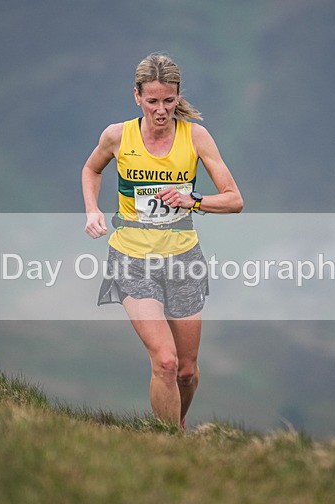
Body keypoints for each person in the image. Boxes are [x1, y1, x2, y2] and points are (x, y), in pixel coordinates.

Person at [82, 53, 243, 429]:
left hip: (182, 259)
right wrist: (91, 210)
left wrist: (193, 200)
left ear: (178, 95)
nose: (160, 110)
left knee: (186, 371)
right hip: (131, 258)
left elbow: (234, 200)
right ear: (136, 96)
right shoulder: (117, 136)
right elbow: (91, 169)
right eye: (152, 101)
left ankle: (177, 425)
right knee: (166, 362)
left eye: (169, 101)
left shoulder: (196, 137)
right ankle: (167, 443)